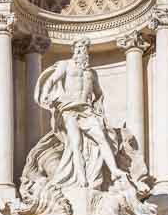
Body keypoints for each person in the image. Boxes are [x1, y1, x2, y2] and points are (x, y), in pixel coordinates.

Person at [35, 39, 126, 188]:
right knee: (75, 144)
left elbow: (99, 93)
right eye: (77, 48)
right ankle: (81, 178)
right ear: (73, 50)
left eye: (83, 48)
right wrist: (46, 94)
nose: (80, 51)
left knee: (101, 138)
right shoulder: (66, 65)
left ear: (87, 51)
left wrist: (98, 108)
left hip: (86, 110)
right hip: (69, 111)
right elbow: (51, 81)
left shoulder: (91, 73)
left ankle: (114, 170)